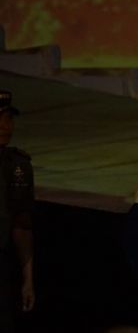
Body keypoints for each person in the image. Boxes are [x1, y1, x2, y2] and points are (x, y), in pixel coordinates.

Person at [0, 90, 35, 332]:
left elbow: (21, 225)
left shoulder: (17, 167)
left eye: (9, 119)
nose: (6, 126)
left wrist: (28, 279)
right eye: (0, 119)